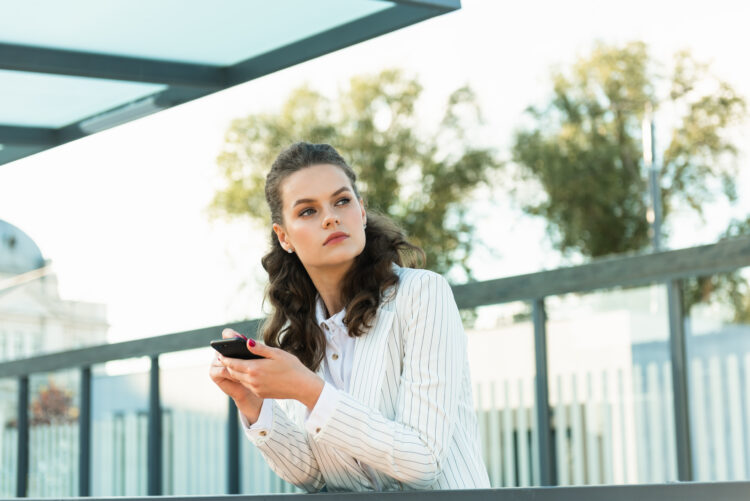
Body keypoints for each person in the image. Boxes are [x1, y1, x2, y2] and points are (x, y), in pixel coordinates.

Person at [209, 142, 490, 492]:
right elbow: (313, 475)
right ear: (284, 237)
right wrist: (252, 404)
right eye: (308, 211)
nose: (330, 217)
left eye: (342, 201)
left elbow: (422, 460)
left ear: (361, 209)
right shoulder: (297, 332)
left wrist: (308, 390)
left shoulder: (422, 294)